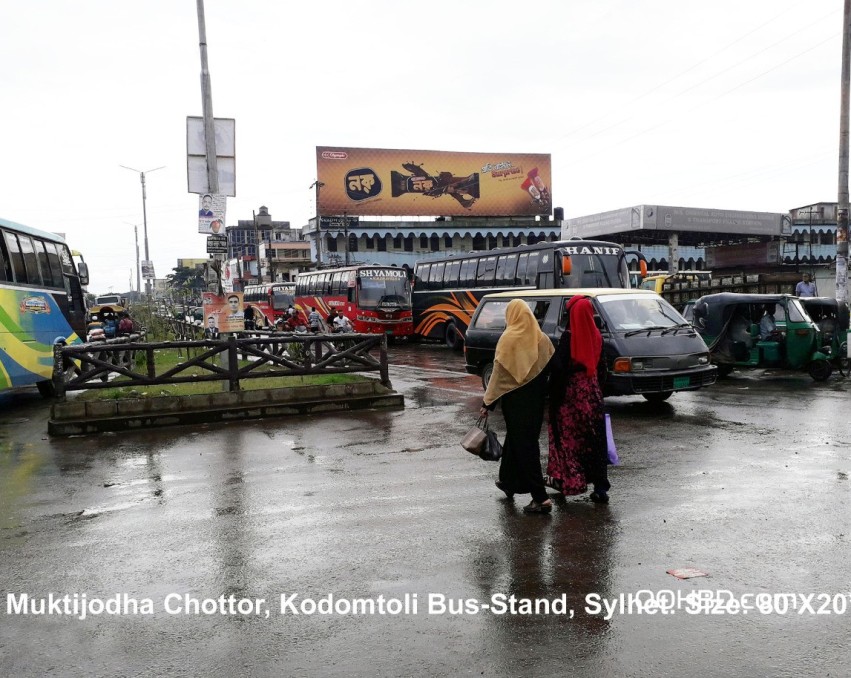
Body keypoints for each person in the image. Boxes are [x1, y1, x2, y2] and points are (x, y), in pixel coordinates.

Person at [480, 299, 555, 514]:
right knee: (517, 441)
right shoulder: (541, 340)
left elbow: (498, 376)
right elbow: (551, 369)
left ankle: (540, 499)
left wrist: (487, 402)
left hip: (515, 405)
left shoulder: (508, 340)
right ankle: (508, 482)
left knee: (526, 448)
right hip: (536, 404)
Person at [545, 296, 610, 503]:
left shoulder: (569, 337)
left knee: (567, 440)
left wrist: (551, 396)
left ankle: (570, 482)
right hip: (592, 395)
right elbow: (603, 369)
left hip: (570, 399)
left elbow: (557, 369)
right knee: (595, 441)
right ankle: (600, 488)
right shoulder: (597, 336)